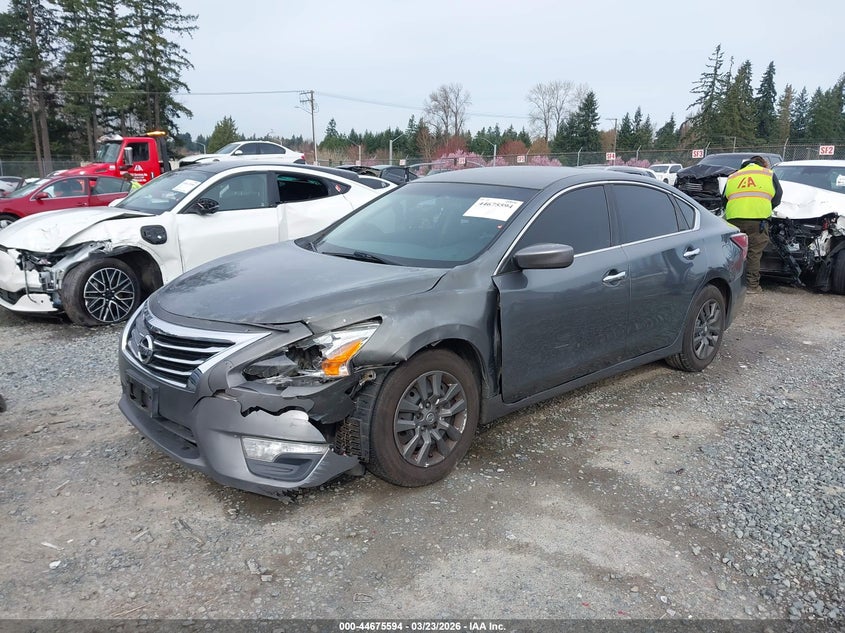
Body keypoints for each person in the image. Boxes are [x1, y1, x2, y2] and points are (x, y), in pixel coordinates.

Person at [722, 155, 783, 294]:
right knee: (753, 253)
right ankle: (751, 286)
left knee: (733, 252)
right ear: (763, 164)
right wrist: (765, 208)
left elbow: (724, 199)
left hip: (733, 220)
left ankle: (730, 285)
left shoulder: (733, 176)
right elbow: (778, 196)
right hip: (757, 220)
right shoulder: (768, 174)